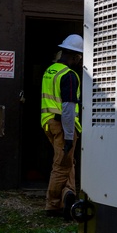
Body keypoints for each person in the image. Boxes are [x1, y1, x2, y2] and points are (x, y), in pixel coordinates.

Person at [41, 33, 83, 219]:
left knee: (67, 162)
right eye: (79, 57)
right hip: (63, 125)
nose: (79, 61)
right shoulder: (70, 76)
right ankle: (52, 205)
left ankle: (69, 195)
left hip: (48, 123)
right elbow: (67, 109)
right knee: (61, 166)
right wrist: (68, 136)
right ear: (74, 56)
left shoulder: (50, 71)